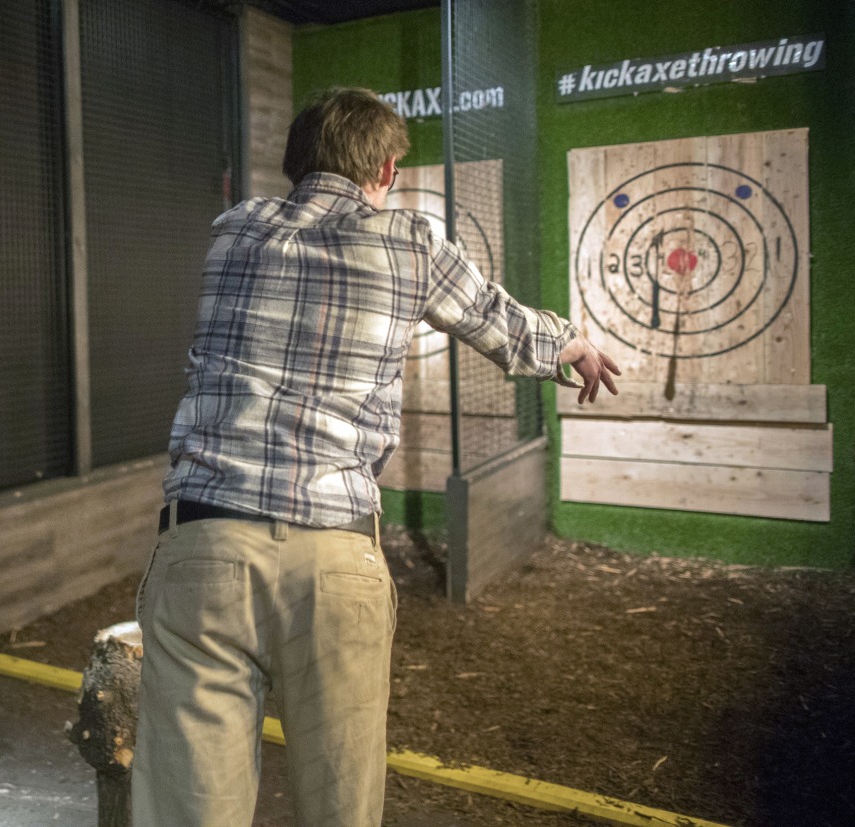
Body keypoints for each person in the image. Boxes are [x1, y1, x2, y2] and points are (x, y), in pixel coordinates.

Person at [131, 87, 619, 827]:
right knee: (340, 806)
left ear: (296, 163)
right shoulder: (409, 240)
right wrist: (573, 343)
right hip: (334, 558)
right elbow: (502, 325)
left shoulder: (233, 230)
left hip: (204, 543)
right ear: (386, 170)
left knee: (188, 810)